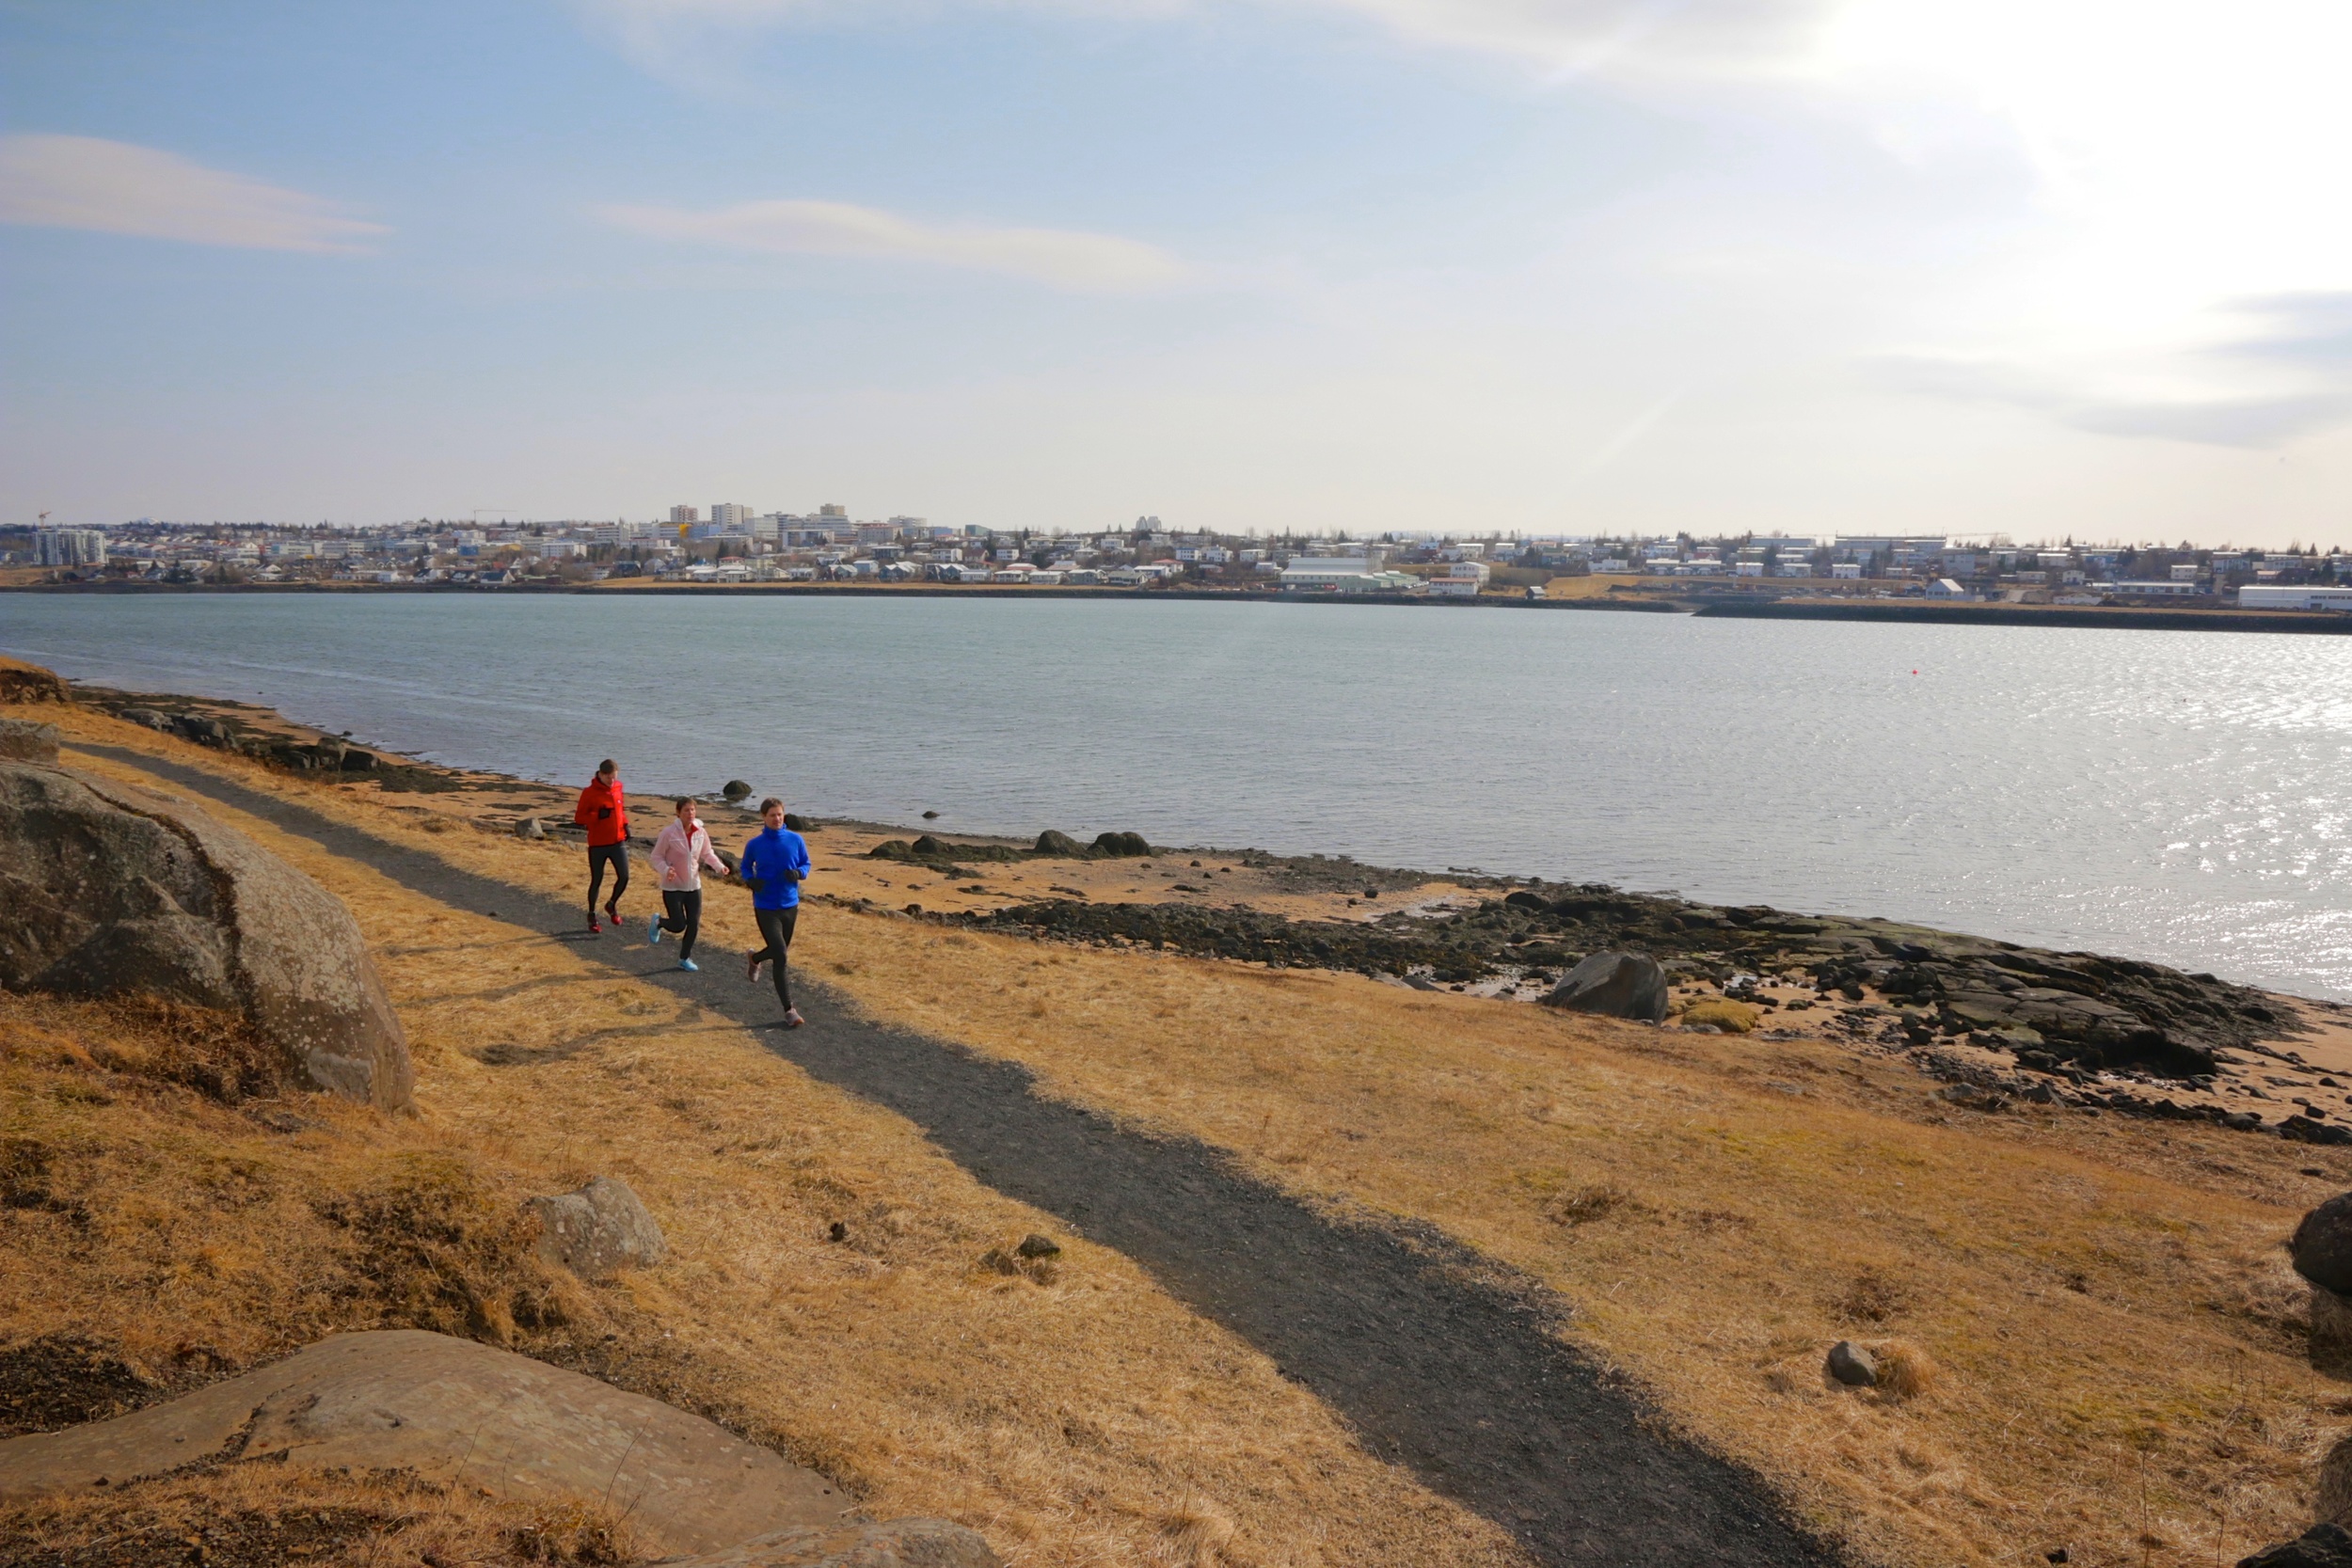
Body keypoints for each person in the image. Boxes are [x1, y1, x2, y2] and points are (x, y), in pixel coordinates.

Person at [739, 796, 811, 1028]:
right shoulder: (755, 844)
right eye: (772, 815)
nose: (777, 818)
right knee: (780, 954)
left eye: (779, 814)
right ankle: (789, 1010)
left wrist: (799, 874)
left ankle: (755, 958)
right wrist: (751, 880)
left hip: (790, 905)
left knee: (780, 953)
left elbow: (806, 864)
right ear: (763, 817)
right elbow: (744, 866)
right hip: (765, 905)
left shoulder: (795, 839)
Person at [647, 797, 727, 971]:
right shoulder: (669, 833)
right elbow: (656, 856)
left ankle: (684, 958)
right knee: (678, 925)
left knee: (693, 923)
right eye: (686, 810)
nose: (690, 813)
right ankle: (658, 923)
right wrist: (666, 870)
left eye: (692, 810)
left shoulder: (701, 832)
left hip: (694, 886)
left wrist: (719, 866)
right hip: (673, 886)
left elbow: (707, 853)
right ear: (678, 813)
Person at [574, 759, 630, 933]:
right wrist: (597, 815)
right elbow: (579, 818)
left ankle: (611, 904)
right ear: (601, 774)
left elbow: (620, 811)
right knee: (597, 880)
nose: (612, 781)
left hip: (617, 841)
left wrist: (625, 825)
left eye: (614, 778)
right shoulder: (589, 793)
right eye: (609, 778)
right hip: (598, 844)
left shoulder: (618, 788)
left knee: (624, 876)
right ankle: (592, 915)